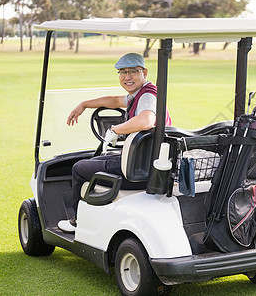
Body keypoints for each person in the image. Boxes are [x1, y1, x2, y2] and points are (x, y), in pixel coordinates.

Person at [58, 53, 171, 233]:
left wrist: (115, 130)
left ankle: (77, 221)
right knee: (95, 160)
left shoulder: (147, 96)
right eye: (122, 72)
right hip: (144, 164)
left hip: (137, 170)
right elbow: (115, 101)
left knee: (79, 168)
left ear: (144, 73)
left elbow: (146, 121)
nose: (127, 77)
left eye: (133, 71)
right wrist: (85, 104)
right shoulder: (138, 94)